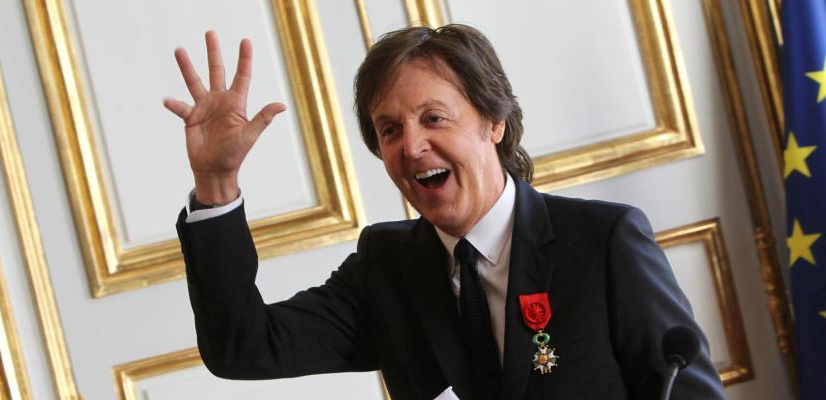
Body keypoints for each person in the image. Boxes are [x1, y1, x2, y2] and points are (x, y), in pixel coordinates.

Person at [165, 25, 725, 400]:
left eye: (434, 118)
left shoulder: (604, 242)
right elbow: (244, 348)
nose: (411, 146)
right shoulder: (386, 267)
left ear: (494, 121)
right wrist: (216, 183)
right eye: (390, 130)